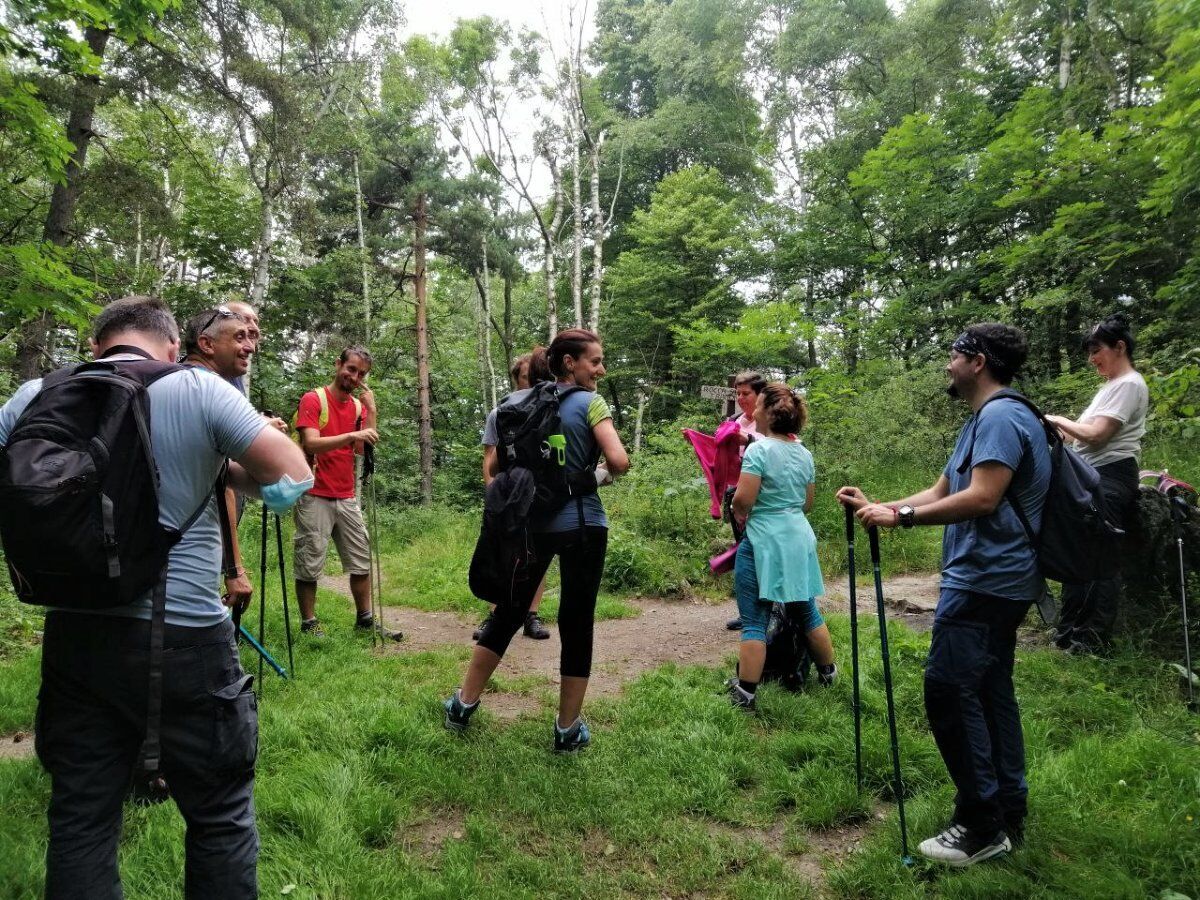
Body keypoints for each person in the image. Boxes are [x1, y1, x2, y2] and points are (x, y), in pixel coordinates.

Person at [0, 295, 312, 898]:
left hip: (76, 636)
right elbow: (291, 471)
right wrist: (238, 471)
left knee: (82, 817)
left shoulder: (36, 393)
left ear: (96, 347)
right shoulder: (197, 389)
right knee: (218, 815)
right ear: (175, 347)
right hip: (187, 636)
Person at [837, 322, 1051, 868]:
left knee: (949, 691)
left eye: (953, 355)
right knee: (988, 691)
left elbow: (982, 498)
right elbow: (943, 491)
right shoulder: (984, 419)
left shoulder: (1002, 416)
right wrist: (880, 508)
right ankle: (1007, 807)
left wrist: (902, 518)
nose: (947, 364)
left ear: (976, 360)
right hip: (995, 580)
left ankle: (981, 825)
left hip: (987, 580)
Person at [444, 328, 630, 752]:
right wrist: (597, 473)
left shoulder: (512, 403)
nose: (600, 369)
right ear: (570, 363)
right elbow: (619, 460)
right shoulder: (591, 403)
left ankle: (462, 704)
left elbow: (496, 469)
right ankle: (567, 729)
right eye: (595, 361)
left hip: (531, 526)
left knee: (508, 612)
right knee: (577, 621)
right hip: (584, 525)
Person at [727, 384, 836, 711]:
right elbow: (807, 502)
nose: (754, 411)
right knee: (806, 609)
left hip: (764, 540)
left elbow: (743, 501)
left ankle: (745, 693)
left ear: (770, 414)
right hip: (798, 537)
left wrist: (736, 508)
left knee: (754, 619)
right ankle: (828, 673)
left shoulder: (758, 452)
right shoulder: (804, 454)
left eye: (758, 405)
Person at [1044, 314, 1148, 654]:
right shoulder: (1110, 387)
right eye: (1089, 352)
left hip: (1111, 475)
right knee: (1078, 553)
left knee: (1100, 558)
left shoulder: (1130, 384)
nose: (1092, 359)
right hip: (1090, 474)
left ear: (1120, 347)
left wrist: (1058, 419)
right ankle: (1067, 631)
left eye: (1096, 350)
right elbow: (1081, 437)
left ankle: (1091, 640)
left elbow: (1098, 435)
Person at [292, 346, 399, 640]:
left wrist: (372, 410)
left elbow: (364, 448)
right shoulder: (314, 399)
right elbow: (311, 443)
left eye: (361, 373)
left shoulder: (356, 407)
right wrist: (353, 434)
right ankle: (309, 624)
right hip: (313, 492)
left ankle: (364, 620)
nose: (354, 377)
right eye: (351, 369)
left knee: (361, 558)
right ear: (338, 364)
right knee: (310, 561)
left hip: (346, 494)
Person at [181, 306, 259, 616]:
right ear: (207, 343)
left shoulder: (177, 380)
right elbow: (222, 478)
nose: (250, 341)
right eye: (240, 332)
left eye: (253, 328)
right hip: (191, 545)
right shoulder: (211, 389)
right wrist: (234, 569)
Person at [473, 351, 553, 641]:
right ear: (517, 380)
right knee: (501, 551)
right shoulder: (501, 412)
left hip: (537, 494)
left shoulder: (549, 407)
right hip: (506, 494)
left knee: (536, 553)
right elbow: (489, 456)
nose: (531, 381)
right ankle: (495, 614)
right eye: (525, 376)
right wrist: (492, 488)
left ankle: (531, 616)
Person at [726, 370, 767, 631]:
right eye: (737, 394)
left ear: (760, 394)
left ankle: (772, 610)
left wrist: (748, 439)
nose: (741, 399)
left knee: (762, 551)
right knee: (744, 551)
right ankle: (747, 611)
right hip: (736, 491)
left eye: (746, 394)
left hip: (763, 497)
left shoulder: (768, 421)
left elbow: (779, 445)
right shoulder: (733, 420)